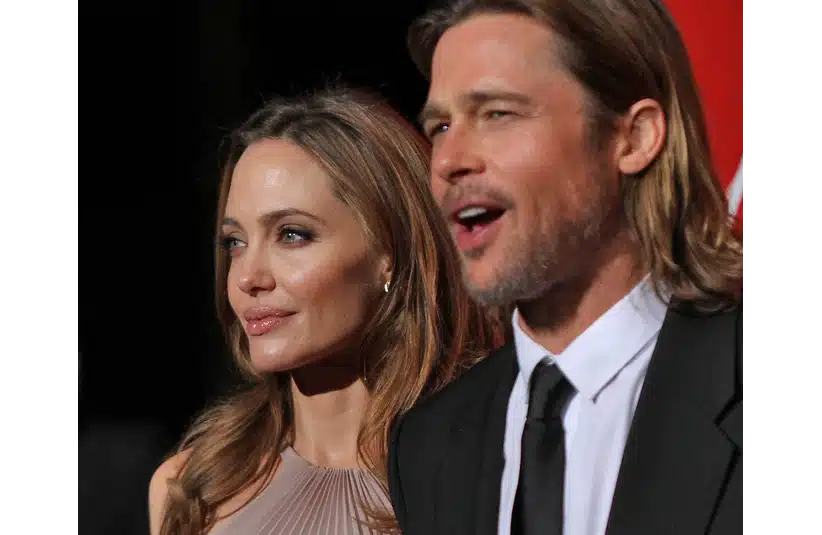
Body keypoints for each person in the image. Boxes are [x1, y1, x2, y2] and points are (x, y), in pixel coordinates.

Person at [387, 1, 744, 535]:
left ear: (634, 137)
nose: (446, 160)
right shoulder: (428, 446)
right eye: (439, 125)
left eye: (496, 114)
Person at [148, 87, 503, 535]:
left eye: (292, 235)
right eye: (234, 243)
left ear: (388, 253)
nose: (247, 277)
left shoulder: (492, 470)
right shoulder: (191, 489)